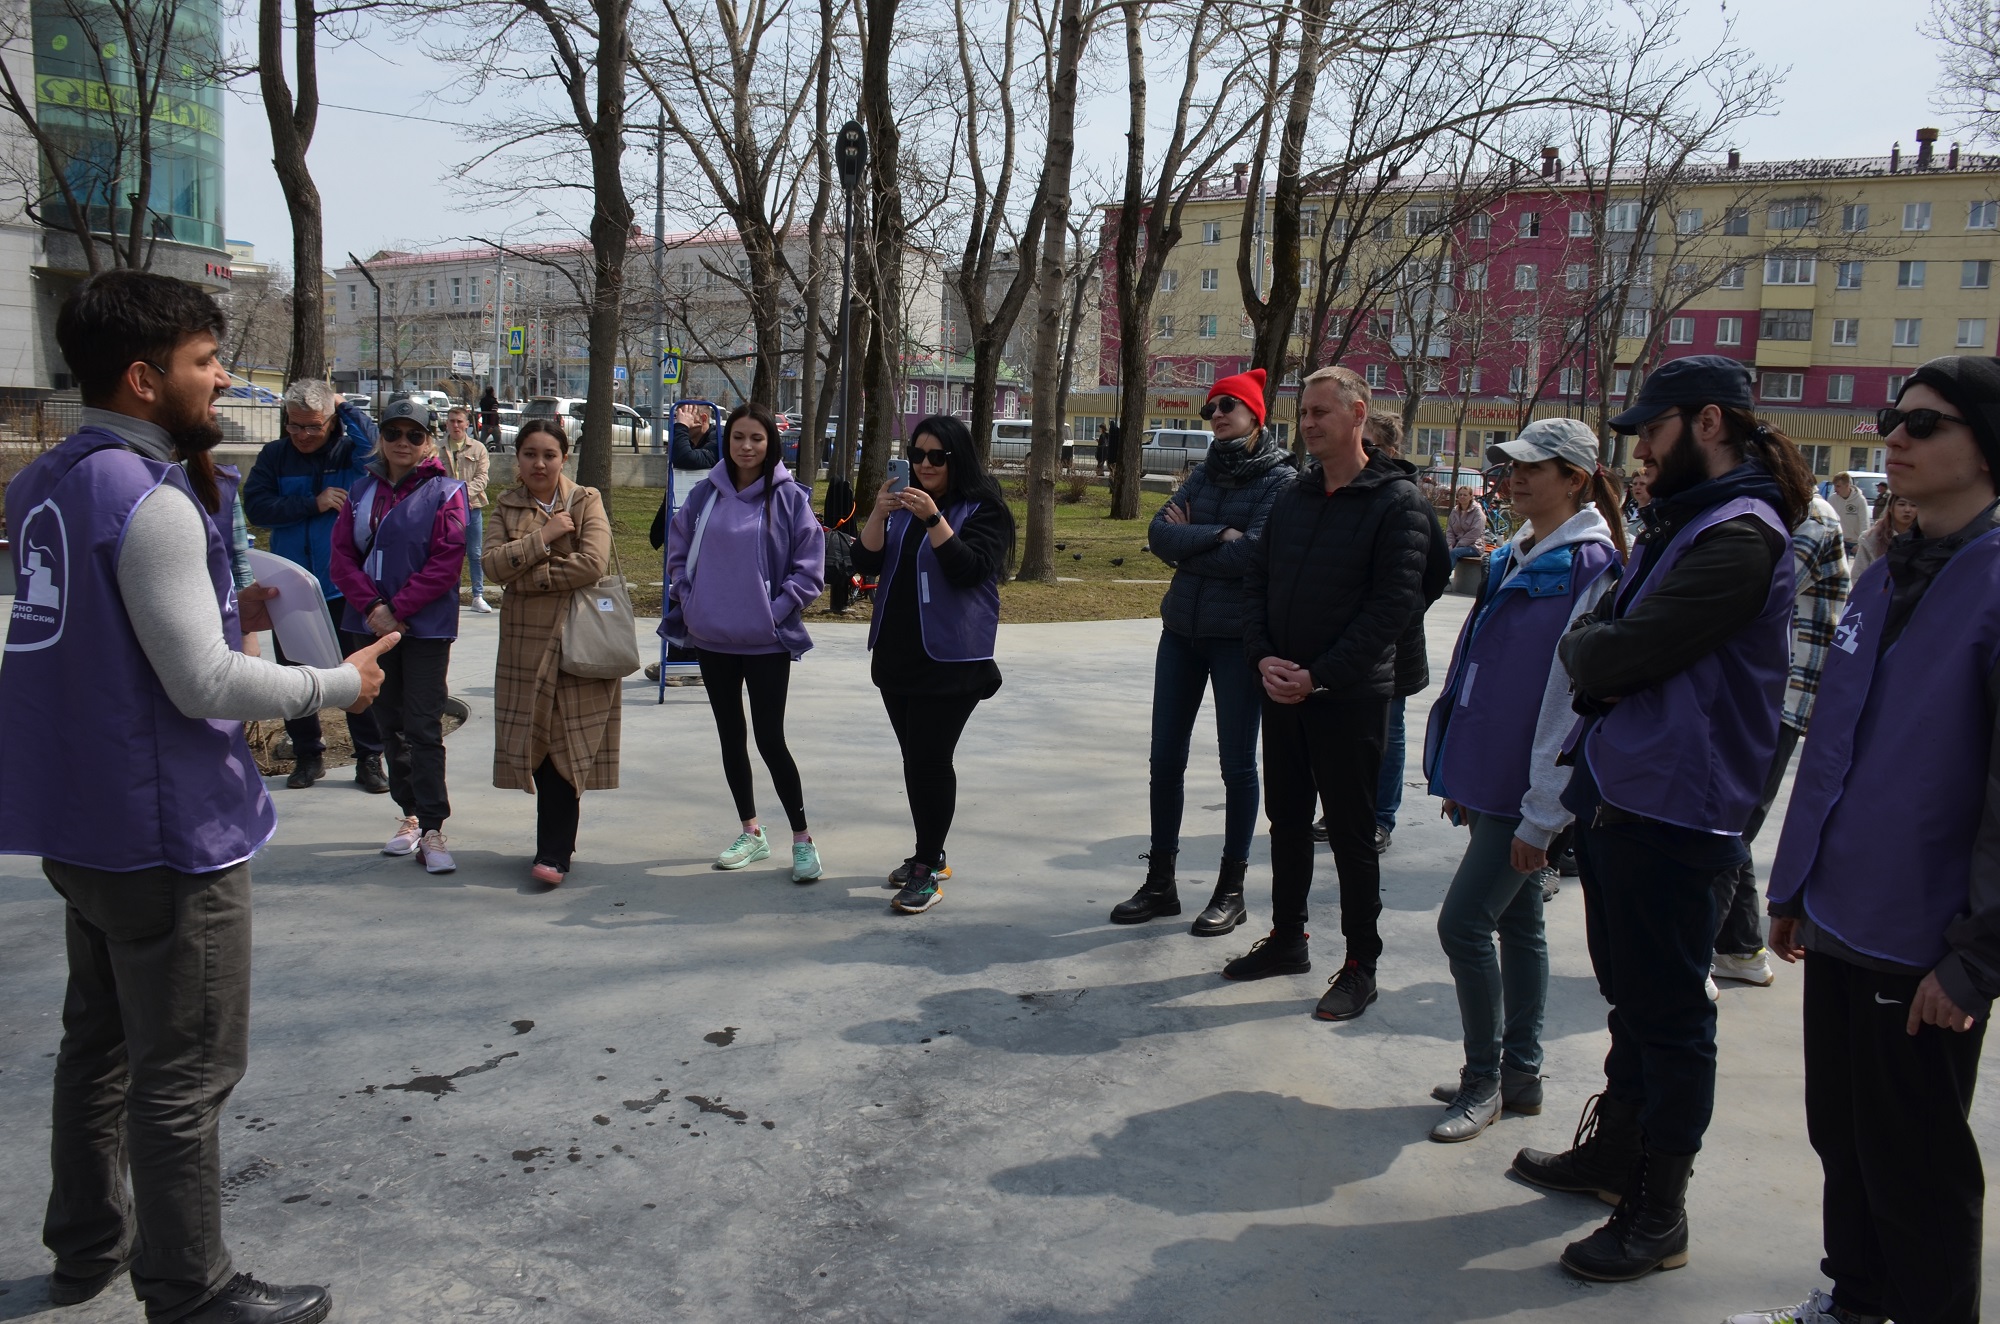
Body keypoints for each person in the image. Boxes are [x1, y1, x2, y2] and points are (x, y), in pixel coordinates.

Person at [2, 270, 395, 1323]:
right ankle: (191, 1289)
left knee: (97, 1048)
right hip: (167, 830)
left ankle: (88, 1244)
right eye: (204, 361)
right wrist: (336, 686)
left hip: (78, 819)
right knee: (184, 1073)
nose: (222, 378)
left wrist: (232, 603)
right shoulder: (153, 499)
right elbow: (203, 683)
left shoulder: (44, 482)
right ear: (143, 379)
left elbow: (108, 630)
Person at [1510, 355, 1813, 1282]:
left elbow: (1613, 651)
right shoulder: (1689, 520)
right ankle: (1616, 1155)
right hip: (1630, 788)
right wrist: (1599, 650)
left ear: (1708, 423)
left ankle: (1658, 1209)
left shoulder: (1739, 534)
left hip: (1681, 807)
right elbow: (1608, 640)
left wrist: (1594, 650)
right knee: (1634, 1001)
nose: (1640, 448)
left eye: (1653, 429)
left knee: (1673, 1017)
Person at [1727, 358, 2000, 1324]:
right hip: (1840, 912)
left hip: (1924, 940)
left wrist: (1977, 958)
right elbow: (1836, 741)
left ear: (1987, 445)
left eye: (1926, 424)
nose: (1895, 436)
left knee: (1915, 1162)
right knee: (1842, 1133)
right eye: (1893, 416)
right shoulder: (1887, 573)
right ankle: (1854, 1301)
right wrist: (1795, 886)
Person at [1422, 418, 1625, 1143]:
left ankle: (1484, 1081)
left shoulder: (1593, 566)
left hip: (1529, 786)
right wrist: (1458, 766)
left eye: (1534, 467)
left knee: (1463, 924)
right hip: (1489, 773)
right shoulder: (1516, 551)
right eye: (1511, 465)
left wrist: (1544, 810)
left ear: (1575, 479)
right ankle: (1521, 1077)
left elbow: (1572, 701)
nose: (1514, 477)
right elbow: (1479, 666)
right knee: (1518, 921)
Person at [1228, 365, 1434, 1023]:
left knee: (1350, 834)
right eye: (1304, 412)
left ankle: (1360, 966)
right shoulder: (1294, 495)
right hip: (1281, 690)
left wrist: (1319, 676)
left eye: (1321, 411)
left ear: (1358, 413)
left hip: (1349, 697)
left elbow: (1393, 607)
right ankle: (1288, 938)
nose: (1308, 423)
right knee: (1287, 822)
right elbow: (1256, 581)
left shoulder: (1397, 502)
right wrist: (1263, 657)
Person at [1110, 368, 1292, 933]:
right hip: (1181, 634)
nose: (1215, 415)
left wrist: (1193, 546)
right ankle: (1160, 883)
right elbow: (1158, 535)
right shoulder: (1202, 472)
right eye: (1210, 408)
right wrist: (1217, 534)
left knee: (1236, 765)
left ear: (1255, 415)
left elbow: (1255, 556)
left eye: (1226, 406)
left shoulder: (1281, 481)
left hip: (1237, 639)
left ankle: (1231, 890)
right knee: (1164, 759)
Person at [852, 414, 1014, 914]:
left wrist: (933, 519)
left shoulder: (984, 509)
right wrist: (878, 514)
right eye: (917, 455)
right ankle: (931, 851)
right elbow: (865, 563)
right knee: (915, 761)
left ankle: (926, 868)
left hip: (952, 660)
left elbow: (971, 570)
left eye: (936, 457)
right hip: (898, 653)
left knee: (930, 760)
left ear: (956, 459)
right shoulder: (904, 505)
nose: (924, 465)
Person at [667, 402, 827, 882]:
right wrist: (689, 599)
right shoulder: (705, 494)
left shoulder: (789, 498)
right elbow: (678, 551)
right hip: (711, 637)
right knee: (730, 736)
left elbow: (810, 568)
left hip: (765, 642)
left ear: (770, 443)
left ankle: (802, 839)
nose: (746, 446)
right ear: (726, 440)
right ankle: (751, 832)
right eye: (738, 437)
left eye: (756, 438)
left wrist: (774, 612)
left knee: (770, 739)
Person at [1706, 488, 1849, 996]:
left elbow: (1760, 589)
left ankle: (1695, 958)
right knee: (1730, 824)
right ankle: (1741, 949)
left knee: (1726, 831)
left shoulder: (1813, 517)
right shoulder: (1766, 512)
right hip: (1755, 693)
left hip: (1781, 699)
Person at [329, 399, 468, 875]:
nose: (402, 443)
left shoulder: (447, 492)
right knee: (389, 724)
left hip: (425, 628)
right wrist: (374, 609)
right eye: (393, 433)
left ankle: (432, 826)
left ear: (429, 441)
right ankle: (409, 813)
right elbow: (341, 559)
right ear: (381, 438)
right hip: (369, 626)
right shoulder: (360, 492)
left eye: (414, 435)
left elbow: (447, 561)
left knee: (423, 725)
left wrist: (398, 609)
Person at [484, 419, 622, 885]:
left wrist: (528, 577)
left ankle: (554, 851)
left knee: (568, 741)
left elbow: (593, 563)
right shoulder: (505, 505)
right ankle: (555, 844)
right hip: (525, 646)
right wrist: (542, 539)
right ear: (518, 458)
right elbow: (490, 566)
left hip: (581, 641)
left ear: (565, 457)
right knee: (537, 740)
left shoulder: (585, 500)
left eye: (549, 455)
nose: (539, 464)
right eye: (530, 454)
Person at [242, 378, 388, 792]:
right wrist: (313, 502)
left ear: (331, 421)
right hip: (288, 588)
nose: (302, 435)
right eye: (294, 424)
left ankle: (370, 756)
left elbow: (375, 444)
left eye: (313, 425)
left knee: (356, 670)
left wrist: (344, 406)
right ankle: (308, 754)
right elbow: (257, 507)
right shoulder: (275, 456)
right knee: (294, 673)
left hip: (343, 587)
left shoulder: (350, 453)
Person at [1364, 411, 1450, 856]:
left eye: (1370, 444)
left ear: (1391, 451)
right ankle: (1343, 809)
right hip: (1344, 637)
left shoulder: (1408, 497)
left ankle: (1381, 817)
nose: (1362, 451)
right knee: (1344, 730)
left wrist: (1408, 608)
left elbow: (1438, 568)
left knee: (1388, 728)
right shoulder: (1339, 491)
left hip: (1396, 640)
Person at [648, 402, 722, 684]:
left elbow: (684, 459)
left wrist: (680, 428)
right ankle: (679, 657)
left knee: (693, 595)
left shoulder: (717, 442)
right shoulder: (696, 441)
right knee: (677, 591)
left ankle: (690, 661)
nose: (676, 425)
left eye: (682, 419)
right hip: (688, 529)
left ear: (703, 419)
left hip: (706, 533)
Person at [440, 406, 493, 613]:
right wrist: (451, 499)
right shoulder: (437, 448)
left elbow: (482, 477)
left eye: (459, 421)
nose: (455, 425)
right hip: (445, 510)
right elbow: (434, 478)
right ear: (447, 423)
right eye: (452, 421)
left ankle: (478, 595)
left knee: (475, 552)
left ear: (467, 424)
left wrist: (463, 497)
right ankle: (449, 595)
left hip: (472, 507)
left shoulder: (478, 448)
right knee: (448, 553)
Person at [1850, 493, 1916, 576]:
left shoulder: (1925, 538)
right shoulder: (1871, 538)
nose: (1907, 510)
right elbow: (1858, 575)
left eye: (1913, 505)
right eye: (1901, 504)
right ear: (1890, 508)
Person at [1828, 471, 1870, 556]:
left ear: (1847, 485)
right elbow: (1828, 520)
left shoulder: (1860, 500)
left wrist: (1860, 543)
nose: (1835, 489)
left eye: (1838, 486)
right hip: (1839, 540)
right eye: (1834, 486)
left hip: (1856, 541)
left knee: (1859, 564)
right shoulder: (1832, 499)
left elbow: (1864, 522)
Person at [1447, 483, 1486, 564]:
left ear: (1471, 497)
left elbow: (1475, 532)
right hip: (1456, 545)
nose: (1462, 497)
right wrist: (1450, 545)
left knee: (1454, 552)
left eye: (1465, 495)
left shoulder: (1477, 512)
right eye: (1460, 495)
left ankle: (1444, 572)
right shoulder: (1454, 511)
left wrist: (1459, 545)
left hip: (1474, 547)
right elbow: (1450, 531)